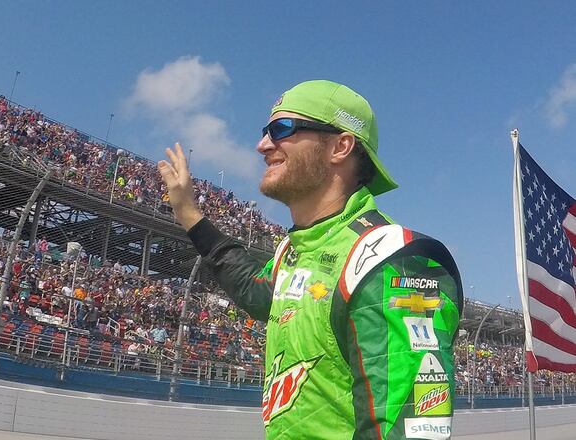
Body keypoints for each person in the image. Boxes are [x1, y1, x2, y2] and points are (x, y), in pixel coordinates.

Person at [158, 80, 463, 439]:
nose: (262, 145)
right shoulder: (294, 248)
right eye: (265, 131)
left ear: (340, 146)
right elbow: (256, 293)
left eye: (281, 129)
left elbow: (408, 430)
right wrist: (190, 215)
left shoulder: (391, 258)